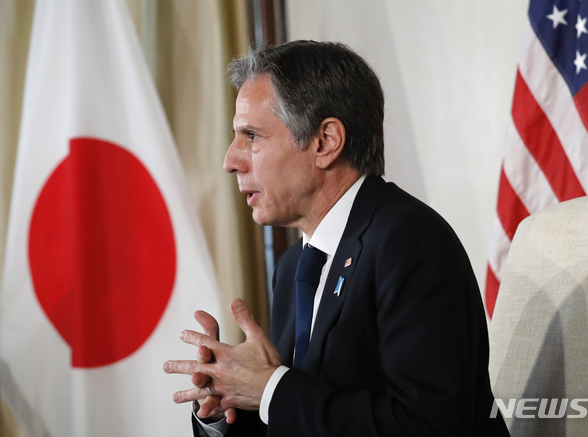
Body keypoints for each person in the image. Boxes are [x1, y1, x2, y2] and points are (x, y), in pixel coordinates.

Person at [164, 40, 509, 437]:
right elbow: (302, 417)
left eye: (252, 136)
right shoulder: (296, 265)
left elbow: (428, 425)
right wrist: (226, 404)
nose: (230, 160)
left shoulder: (408, 241)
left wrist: (271, 388)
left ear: (325, 142)